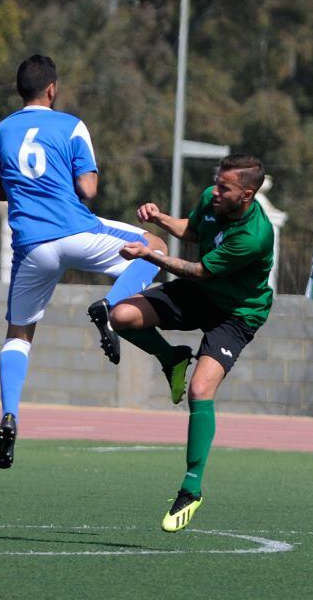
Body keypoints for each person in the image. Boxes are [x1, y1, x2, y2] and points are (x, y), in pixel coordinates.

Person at [0, 54, 167, 469]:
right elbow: (87, 187)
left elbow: (0, 191)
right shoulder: (71, 125)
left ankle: (8, 415)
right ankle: (110, 306)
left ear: (21, 90)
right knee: (154, 247)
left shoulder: (1, 131)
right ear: (52, 88)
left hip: (32, 247)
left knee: (19, 334)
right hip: (75, 231)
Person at [88, 154, 273, 532]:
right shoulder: (213, 198)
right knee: (122, 316)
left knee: (200, 390)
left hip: (236, 314)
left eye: (225, 187)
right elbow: (192, 230)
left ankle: (191, 488)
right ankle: (171, 357)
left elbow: (201, 270)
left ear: (247, 194)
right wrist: (160, 220)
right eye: (217, 182)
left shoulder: (255, 236)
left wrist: (151, 255)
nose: (216, 191)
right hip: (198, 295)